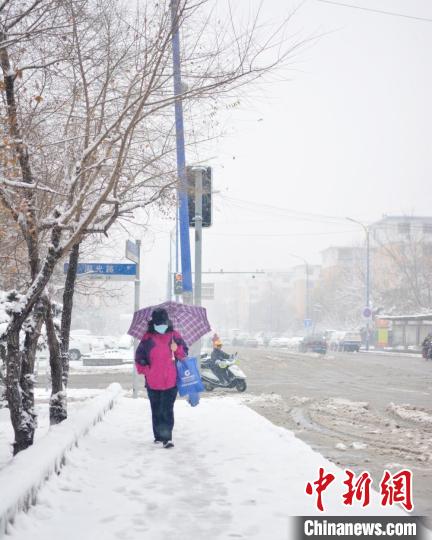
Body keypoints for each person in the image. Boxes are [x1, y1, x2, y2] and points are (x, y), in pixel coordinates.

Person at [135, 308, 188, 449]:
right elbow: (139, 358)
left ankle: (167, 438)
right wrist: (147, 370)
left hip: (171, 381)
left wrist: (176, 348)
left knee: (167, 409)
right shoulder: (147, 338)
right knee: (156, 409)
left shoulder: (174, 336)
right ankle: (158, 436)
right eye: (158, 323)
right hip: (153, 382)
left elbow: (183, 355)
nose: (161, 326)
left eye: (163, 322)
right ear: (153, 323)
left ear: (167, 322)